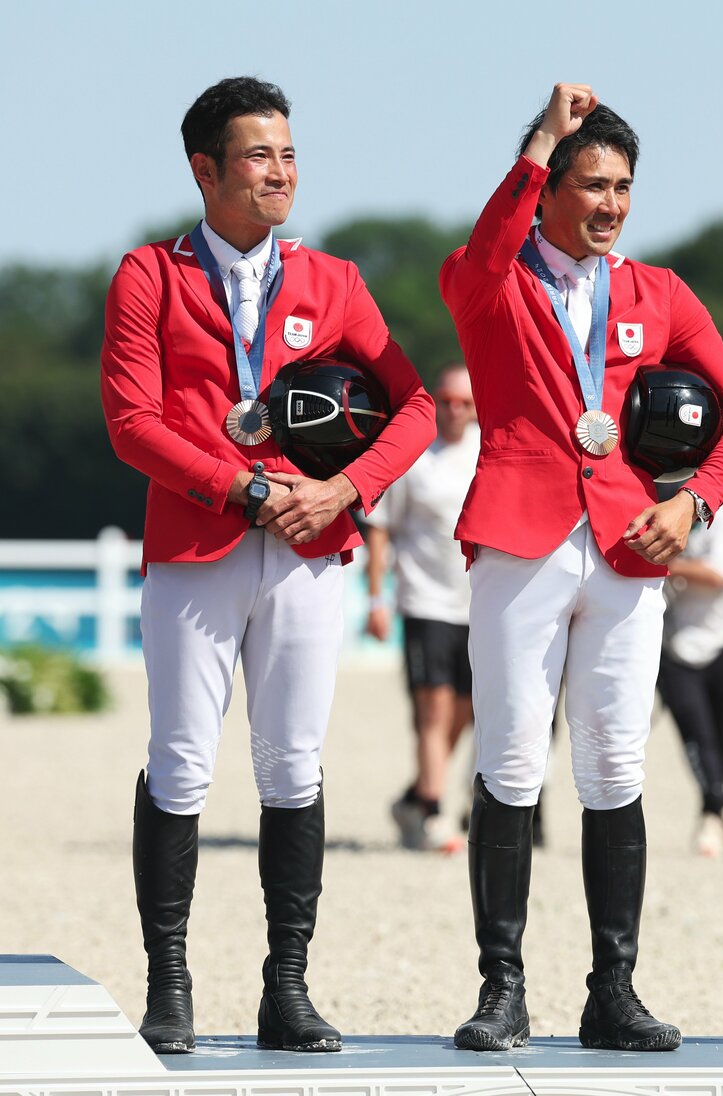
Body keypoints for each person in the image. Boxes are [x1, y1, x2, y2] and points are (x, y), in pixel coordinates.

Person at [100, 76, 435, 1055]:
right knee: (182, 764)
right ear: (205, 170)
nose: (281, 170)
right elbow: (132, 425)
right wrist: (242, 488)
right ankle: (170, 984)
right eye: (259, 154)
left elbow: (413, 408)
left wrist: (345, 492)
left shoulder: (333, 282)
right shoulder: (147, 276)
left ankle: (286, 989)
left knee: (293, 767)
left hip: (309, 553)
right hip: (198, 547)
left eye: (289, 152)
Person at [439, 83, 723, 1053]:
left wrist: (695, 500)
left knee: (616, 764)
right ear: (544, 189)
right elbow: (487, 245)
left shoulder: (659, 293)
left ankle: (611, 990)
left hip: (630, 545)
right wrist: (539, 138)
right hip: (520, 537)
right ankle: (503, 990)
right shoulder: (490, 280)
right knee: (507, 761)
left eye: (624, 186)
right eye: (590, 184)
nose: (612, 204)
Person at [364, 363, 480, 853]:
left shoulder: (489, 454)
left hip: (479, 604)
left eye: (464, 402)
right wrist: (376, 599)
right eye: (445, 400)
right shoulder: (414, 459)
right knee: (432, 712)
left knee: (466, 713)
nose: (454, 410)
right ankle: (435, 813)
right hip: (425, 600)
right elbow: (382, 529)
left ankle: (413, 798)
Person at [656, 498, 723, 857]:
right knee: (696, 737)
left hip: (720, 647)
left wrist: (670, 565)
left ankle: (711, 821)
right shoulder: (660, 510)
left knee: (721, 740)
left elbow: (722, 576)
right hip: (675, 650)